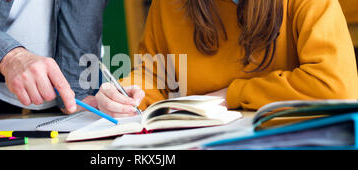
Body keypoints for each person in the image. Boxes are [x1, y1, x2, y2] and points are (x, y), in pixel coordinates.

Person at [95, 0, 358, 117]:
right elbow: (153, 75)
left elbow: (336, 87)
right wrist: (125, 93)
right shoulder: (169, 4)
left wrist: (231, 94)